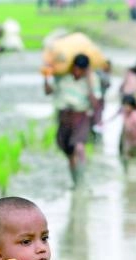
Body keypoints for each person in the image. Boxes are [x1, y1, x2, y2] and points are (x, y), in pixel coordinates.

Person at [44, 53, 99, 186]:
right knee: (69, 152)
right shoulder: (63, 77)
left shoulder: (92, 79)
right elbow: (48, 91)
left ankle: (82, 180)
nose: (77, 72)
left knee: (79, 147)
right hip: (64, 117)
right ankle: (76, 181)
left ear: (85, 70)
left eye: (80, 70)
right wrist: (45, 77)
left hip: (81, 117)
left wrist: (89, 83)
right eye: (75, 68)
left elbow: (95, 103)